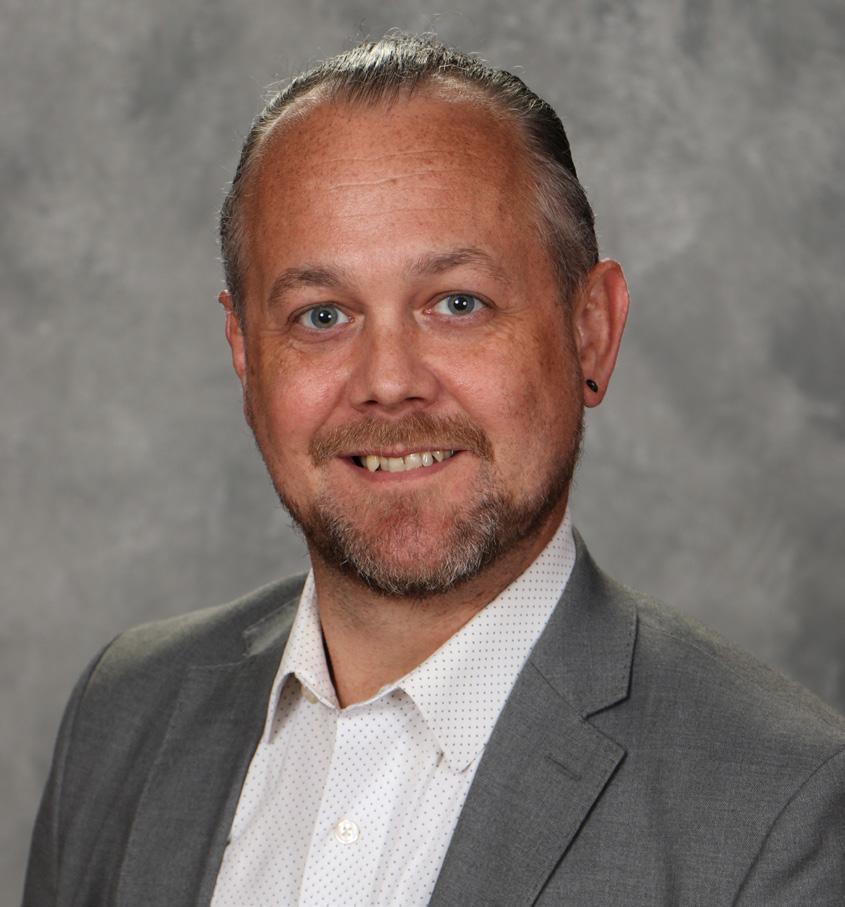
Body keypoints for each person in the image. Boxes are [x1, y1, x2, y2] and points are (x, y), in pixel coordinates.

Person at [23, 33, 845, 907]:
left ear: (591, 331)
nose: (387, 382)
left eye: (457, 303)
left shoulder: (779, 806)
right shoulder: (124, 713)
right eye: (321, 315)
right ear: (243, 353)